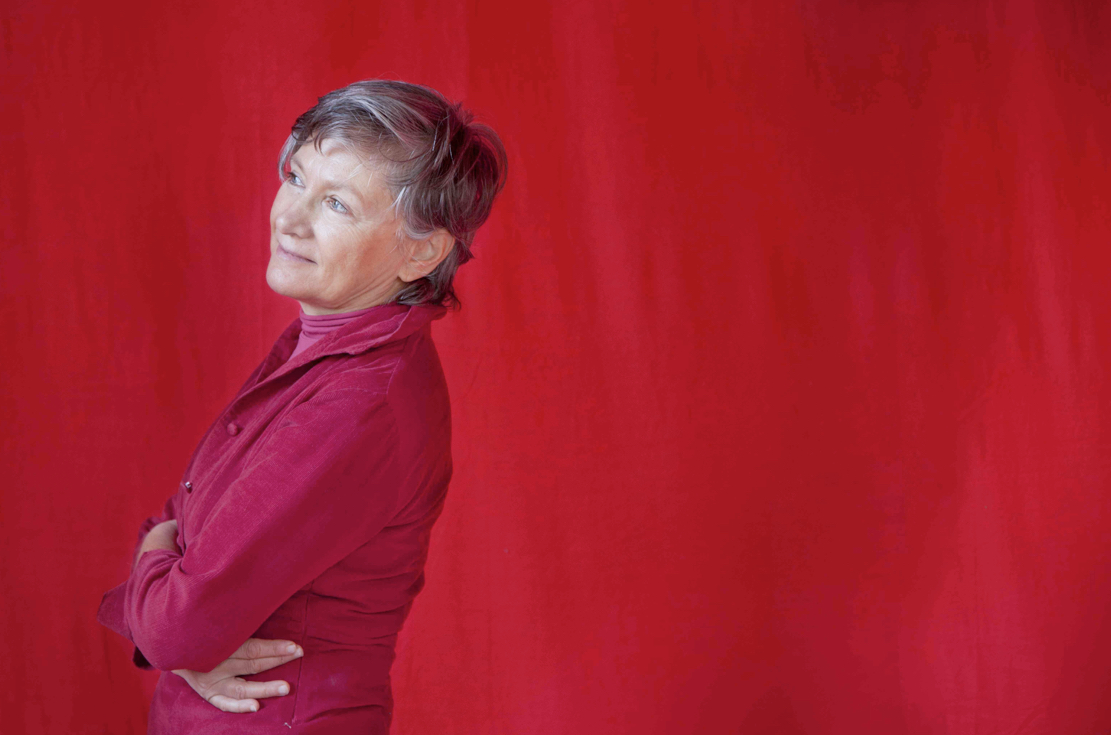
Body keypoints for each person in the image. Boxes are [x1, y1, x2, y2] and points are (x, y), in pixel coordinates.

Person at [96, 78, 508, 733]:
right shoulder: (324, 347)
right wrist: (175, 620)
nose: (288, 217)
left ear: (422, 251)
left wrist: (165, 592)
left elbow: (177, 621)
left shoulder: (359, 403)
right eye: (295, 177)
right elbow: (186, 535)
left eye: (336, 204)